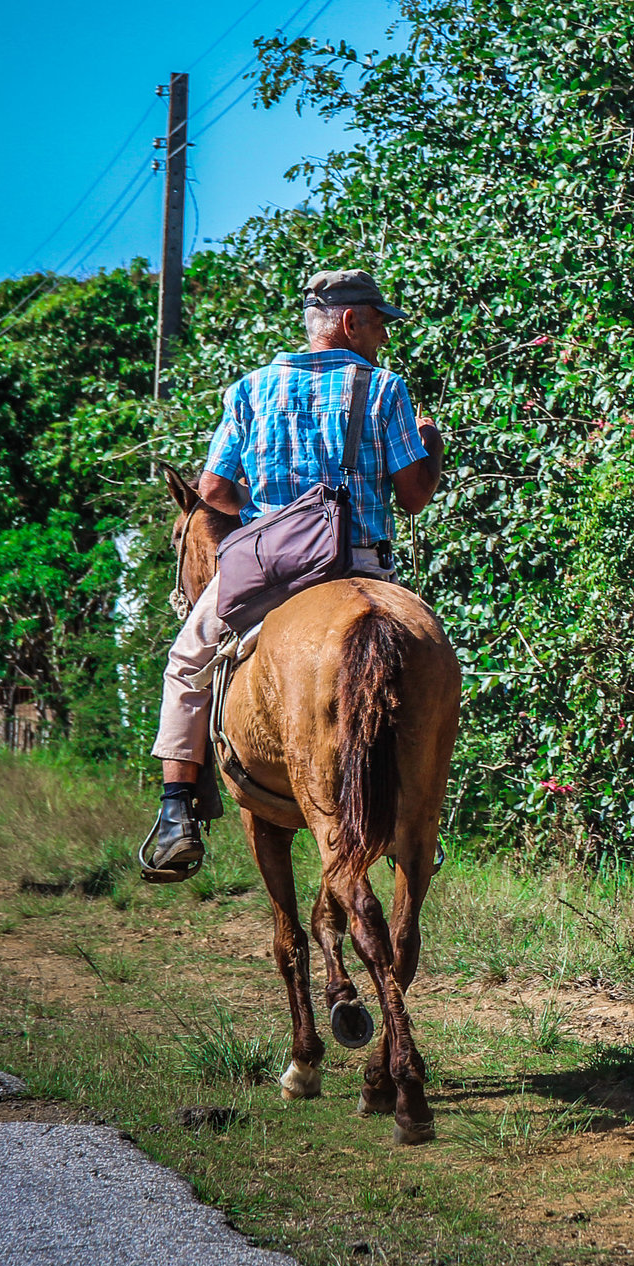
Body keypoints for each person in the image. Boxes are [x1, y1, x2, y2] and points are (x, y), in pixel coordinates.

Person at [139, 269, 444, 882]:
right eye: (379, 324)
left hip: (268, 567)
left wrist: (276, 506)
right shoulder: (384, 389)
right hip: (356, 562)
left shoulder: (250, 390)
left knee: (189, 660)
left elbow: (215, 492)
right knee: (425, 659)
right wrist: (430, 445)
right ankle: (421, 823)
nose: (383, 336)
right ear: (351, 322)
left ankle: (177, 814)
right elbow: (413, 497)